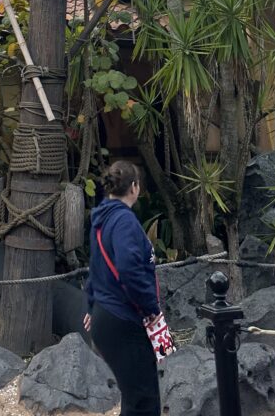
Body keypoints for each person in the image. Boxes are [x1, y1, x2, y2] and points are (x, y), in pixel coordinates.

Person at [84, 161, 161, 416]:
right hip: (126, 316)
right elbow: (129, 269)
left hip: (106, 315)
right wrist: (151, 307)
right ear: (134, 187)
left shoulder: (101, 219)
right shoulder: (124, 221)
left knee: (134, 396)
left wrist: (92, 306)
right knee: (144, 399)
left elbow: (95, 267)